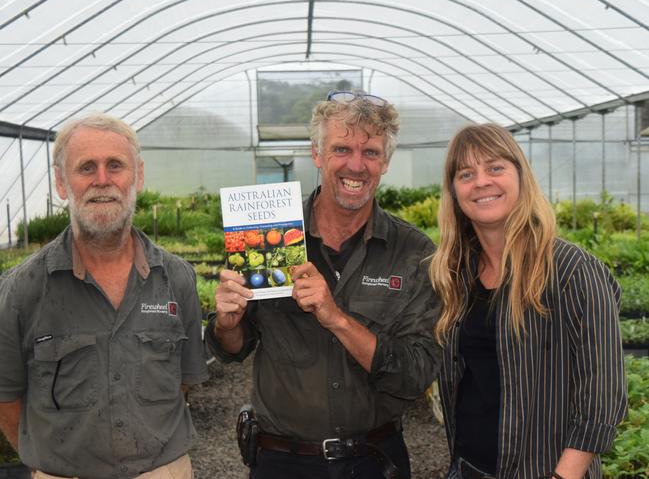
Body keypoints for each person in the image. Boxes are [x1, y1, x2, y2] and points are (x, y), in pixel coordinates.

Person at [205, 90, 441, 479]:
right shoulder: (271, 234)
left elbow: (416, 374)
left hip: (374, 461)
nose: (356, 165)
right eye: (341, 149)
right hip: (282, 462)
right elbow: (234, 349)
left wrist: (338, 319)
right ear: (317, 155)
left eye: (371, 153)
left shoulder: (413, 253)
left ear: (385, 162)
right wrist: (226, 325)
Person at [0, 113, 209, 479]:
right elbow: (6, 397)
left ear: (138, 176)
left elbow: (184, 380)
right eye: (86, 168)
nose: (102, 180)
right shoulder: (22, 289)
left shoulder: (177, 278)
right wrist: (53, 462)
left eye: (115, 165)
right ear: (62, 183)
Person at [428, 123, 627, 479]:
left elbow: (602, 396)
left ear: (520, 175)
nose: (481, 182)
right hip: (467, 468)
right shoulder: (456, 275)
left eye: (495, 168)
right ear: (455, 191)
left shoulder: (571, 270)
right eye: (466, 174)